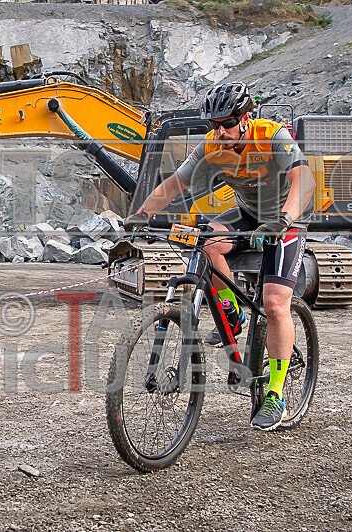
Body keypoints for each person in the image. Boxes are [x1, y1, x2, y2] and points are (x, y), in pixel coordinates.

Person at [130, 82, 316, 431]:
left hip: (287, 218)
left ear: (245, 118)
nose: (220, 131)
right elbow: (174, 184)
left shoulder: (272, 136)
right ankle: (231, 312)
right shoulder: (212, 144)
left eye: (227, 123)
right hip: (248, 214)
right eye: (214, 124)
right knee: (208, 241)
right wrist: (142, 213)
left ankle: (275, 393)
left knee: (275, 304)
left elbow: (304, 179)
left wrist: (284, 219)